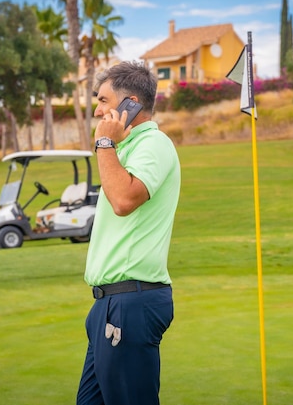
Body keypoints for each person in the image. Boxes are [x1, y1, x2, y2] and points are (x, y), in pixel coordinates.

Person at [76, 61, 181, 405]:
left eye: (104, 100)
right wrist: (112, 146)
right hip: (109, 305)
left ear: (131, 103)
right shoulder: (124, 148)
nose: (97, 109)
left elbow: (123, 199)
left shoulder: (154, 144)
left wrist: (105, 143)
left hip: (130, 302)